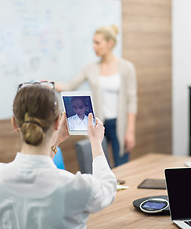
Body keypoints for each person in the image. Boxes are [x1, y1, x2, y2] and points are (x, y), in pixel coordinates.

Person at [0, 82, 117, 229]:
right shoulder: (75, 186)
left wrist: (56, 141)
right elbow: (107, 188)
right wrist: (96, 142)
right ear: (56, 123)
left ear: (14, 124)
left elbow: (37, 171)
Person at [55, 25, 137, 167]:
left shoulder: (126, 67)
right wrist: (49, 84)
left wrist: (130, 130)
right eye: (93, 42)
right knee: (100, 165)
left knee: (123, 166)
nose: (94, 46)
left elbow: (132, 101)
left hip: (119, 124)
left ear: (110, 43)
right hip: (99, 124)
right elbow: (69, 87)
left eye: (97, 43)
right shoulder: (90, 68)